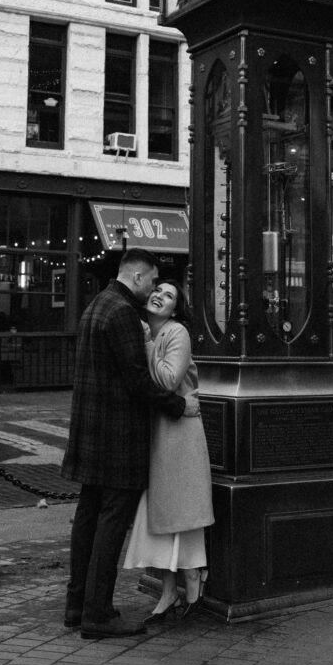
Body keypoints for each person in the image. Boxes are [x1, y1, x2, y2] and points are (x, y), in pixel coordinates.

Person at [60, 249, 200, 640]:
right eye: (152, 282)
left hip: (91, 432)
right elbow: (138, 380)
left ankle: (77, 606)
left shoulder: (97, 305)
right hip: (116, 436)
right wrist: (178, 406)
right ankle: (98, 613)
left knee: (88, 519)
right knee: (110, 525)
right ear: (137, 277)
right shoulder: (123, 313)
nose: (154, 289)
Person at [123, 279, 214, 623]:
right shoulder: (149, 332)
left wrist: (146, 343)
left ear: (176, 309)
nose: (160, 295)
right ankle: (171, 589)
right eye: (157, 290)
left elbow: (167, 380)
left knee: (179, 513)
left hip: (178, 435)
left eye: (169, 295)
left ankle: (189, 585)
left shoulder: (177, 333)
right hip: (160, 432)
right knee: (162, 515)